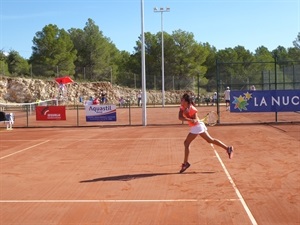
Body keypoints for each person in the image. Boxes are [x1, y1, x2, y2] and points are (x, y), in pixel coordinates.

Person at [178, 93, 234, 173]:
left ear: (186, 101)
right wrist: (190, 120)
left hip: (197, 126)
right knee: (210, 140)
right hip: (197, 126)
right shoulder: (182, 107)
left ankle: (185, 163)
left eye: (182, 100)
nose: (181, 101)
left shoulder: (193, 109)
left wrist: (193, 119)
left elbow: (195, 120)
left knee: (186, 143)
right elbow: (180, 117)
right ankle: (228, 148)